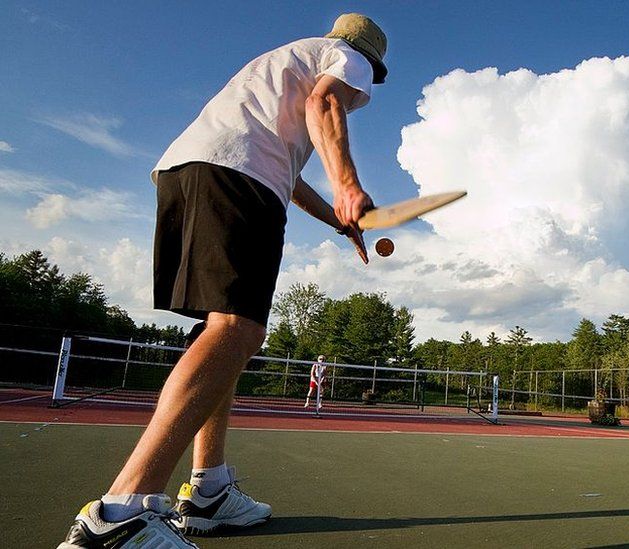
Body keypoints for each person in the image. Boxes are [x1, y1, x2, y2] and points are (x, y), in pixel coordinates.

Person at [59, 13, 388, 548]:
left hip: (186, 173)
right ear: (368, 63)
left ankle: (209, 490)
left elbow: (292, 174)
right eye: (365, 86)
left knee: (222, 334)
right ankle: (123, 512)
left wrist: (335, 217)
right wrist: (349, 184)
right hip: (237, 178)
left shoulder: (282, 69)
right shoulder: (344, 57)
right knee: (238, 329)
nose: (358, 94)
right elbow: (325, 102)